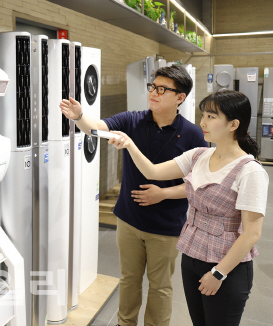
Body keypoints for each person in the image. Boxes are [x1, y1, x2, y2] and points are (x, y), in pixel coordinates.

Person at [60, 65, 206, 326]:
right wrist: (80, 116)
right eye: (153, 86)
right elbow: (96, 128)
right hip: (129, 220)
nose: (154, 92)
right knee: (129, 279)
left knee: (160, 285)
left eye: (162, 89)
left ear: (180, 97)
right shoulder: (132, 120)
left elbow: (199, 184)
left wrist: (163, 194)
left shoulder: (193, 134)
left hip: (166, 226)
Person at [107, 90, 268, 326]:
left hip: (226, 267)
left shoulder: (250, 170)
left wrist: (218, 273)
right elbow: (152, 171)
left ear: (234, 124)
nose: (203, 122)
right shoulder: (199, 156)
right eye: (203, 115)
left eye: (211, 117)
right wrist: (129, 145)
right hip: (192, 258)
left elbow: (252, 233)